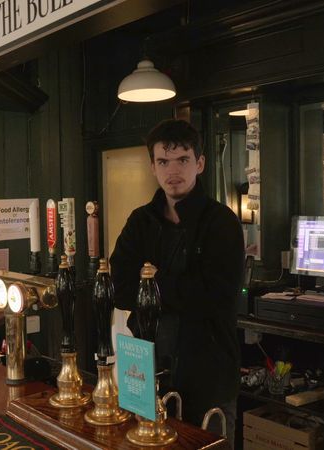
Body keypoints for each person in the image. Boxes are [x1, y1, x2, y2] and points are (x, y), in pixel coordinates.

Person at [110, 119, 244, 446]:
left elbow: (217, 297)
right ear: (153, 167)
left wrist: (152, 283)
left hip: (208, 371)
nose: (173, 170)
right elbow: (120, 288)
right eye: (164, 161)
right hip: (145, 365)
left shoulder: (221, 221)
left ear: (199, 163)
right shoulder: (141, 220)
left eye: (183, 159)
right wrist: (177, 287)